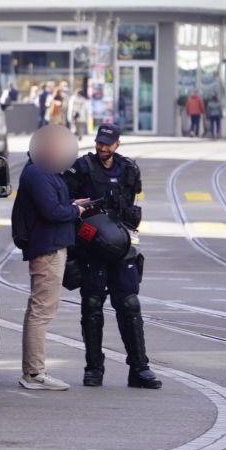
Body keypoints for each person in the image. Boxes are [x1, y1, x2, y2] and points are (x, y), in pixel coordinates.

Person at [63, 124, 162, 390]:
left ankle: (139, 368)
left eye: (107, 143)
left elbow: (133, 204)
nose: (102, 148)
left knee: (129, 304)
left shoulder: (129, 169)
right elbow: (66, 204)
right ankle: (94, 368)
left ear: (117, 144)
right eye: (99, 142)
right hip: (91, 247)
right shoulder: (81, 168)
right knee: (92, 305)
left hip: (122, 246)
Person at [16, 125, 89, 391]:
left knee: (40, 310)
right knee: (41, 311)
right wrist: (74, 210)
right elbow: (51, 211)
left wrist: (72, 204)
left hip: (51, 245)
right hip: (46, 248)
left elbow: (56, 205)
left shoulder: (44, 170)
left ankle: (33, 371)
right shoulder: (37, 172)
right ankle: (34, 374)